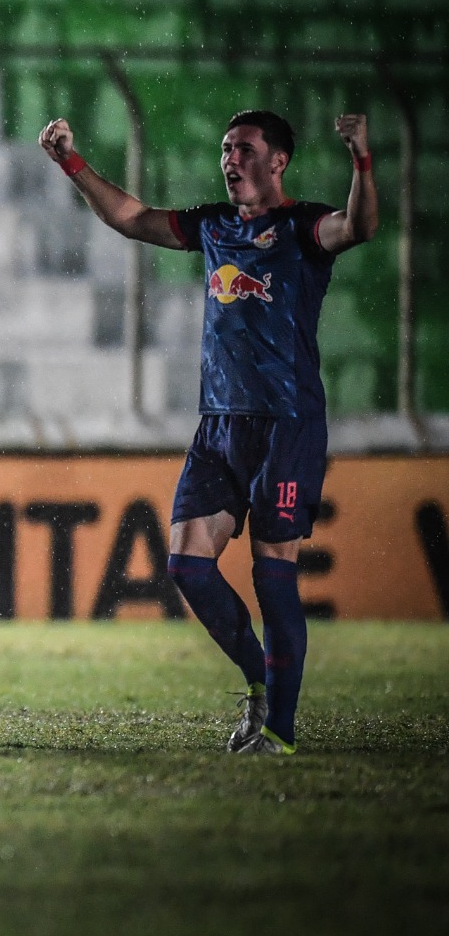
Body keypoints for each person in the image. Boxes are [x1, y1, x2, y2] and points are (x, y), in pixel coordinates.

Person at [39, 110, 377, 755]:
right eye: (225, 149)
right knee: (188, 564)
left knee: (272, 572)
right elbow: (131, 218)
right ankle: (259, 683)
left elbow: (359, 226)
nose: (230, 160)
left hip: (286, 424)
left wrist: (361, 157)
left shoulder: (303, 226)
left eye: (244, 150)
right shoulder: (214, 227)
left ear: (277, 162)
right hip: (218, 422)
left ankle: (280, 729)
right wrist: (71, 163)